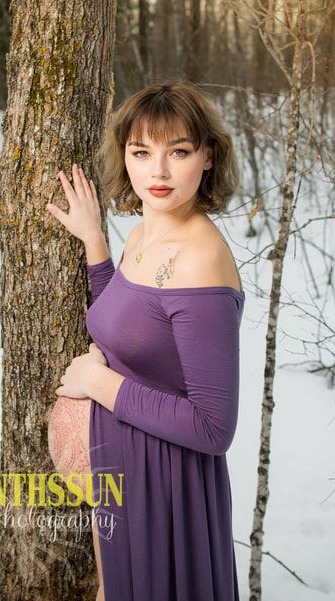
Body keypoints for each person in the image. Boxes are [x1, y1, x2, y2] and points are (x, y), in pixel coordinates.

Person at [46, 80, 245, 601]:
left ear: (208, 158)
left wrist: (98, 381)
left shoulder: (202, 261)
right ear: (125, 157)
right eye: (142, 152)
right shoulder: (143, 231)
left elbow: (213, 427)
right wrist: (95, 243)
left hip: (166, 487)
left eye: (178, 151)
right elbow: (135, 320)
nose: (157, 171)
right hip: (125, 471)